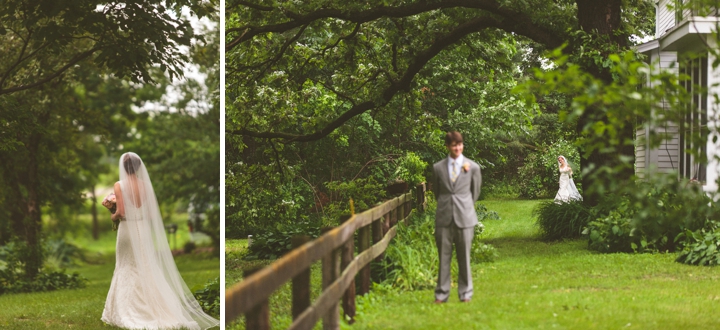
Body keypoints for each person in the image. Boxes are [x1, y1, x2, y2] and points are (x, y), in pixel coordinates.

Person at [102, 153, 219, 329]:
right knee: (146, 266)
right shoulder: (146, 185)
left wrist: (112, 213)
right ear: (139, 167)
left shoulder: (119, 185)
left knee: (126, 265)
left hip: (128, 229)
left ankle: (128, 309)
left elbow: (122, 213)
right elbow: (150, 214)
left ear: (123, 168)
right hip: (143, 228)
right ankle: (154, 308)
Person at [431, 131, 482, 303]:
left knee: (464, 257)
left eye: (459, 144)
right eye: (453, 145)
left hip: (465, 217)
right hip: (444, 217)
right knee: (444, 256)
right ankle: (441, 294)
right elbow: (437, 192)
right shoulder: (438, 168)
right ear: (447, 147)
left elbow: (475, 192)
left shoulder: (472, 167)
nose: (457, 148)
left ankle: (465, 293)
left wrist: (464, 205)